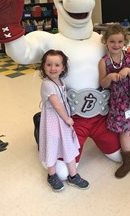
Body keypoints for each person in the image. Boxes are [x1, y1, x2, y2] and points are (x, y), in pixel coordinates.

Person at [99, 24, 130, 179]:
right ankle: (128, 161)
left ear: (124, 42)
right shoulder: (104, 62)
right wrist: (109, 77)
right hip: (118, 103)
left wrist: (128, 71)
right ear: (106, 42)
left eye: (120, 41)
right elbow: (103, 84)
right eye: (112, 41)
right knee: (123, 130)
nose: (116, 45)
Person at [39, 49, 89, 192]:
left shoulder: (61, 81)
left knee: (69, 146)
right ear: (43, 66)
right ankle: (51, 175)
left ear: (63, 67)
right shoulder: (47, 84)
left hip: (63, 120)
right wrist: (68, 119)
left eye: (57, 65)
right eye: (49, 64)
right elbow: (57, 105)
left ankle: (73, 176)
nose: (53, 68)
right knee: (52, 146)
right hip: (53, 120)